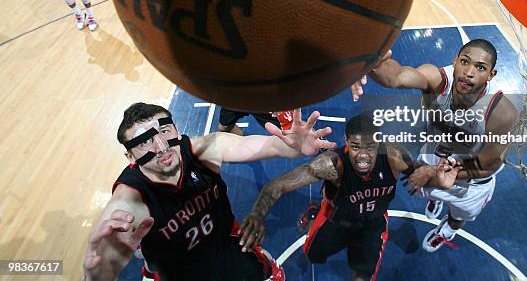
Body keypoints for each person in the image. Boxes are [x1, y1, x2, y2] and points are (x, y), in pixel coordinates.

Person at [81, 103, 336, 281]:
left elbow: (266, 146)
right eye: (144, 141)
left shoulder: (203, 151)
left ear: (176, 130)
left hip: (228, 249)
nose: (160, 147)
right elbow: (104, 265)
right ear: (130, 156)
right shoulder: (130, 199)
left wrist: (295, 147)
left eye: (164, 131)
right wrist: (96, 275)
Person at [240, 116, 460, 280]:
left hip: (371, 225)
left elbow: (420, 172)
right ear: (346, 141)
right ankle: (316, 210)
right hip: (335, 220)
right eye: (355, 147)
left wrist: (438, 178)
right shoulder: (331, 165)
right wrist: (257, 213)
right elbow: (277, 185)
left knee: (362, 277)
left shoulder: (394, 157)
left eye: (370, 148)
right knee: (313, 255)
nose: (363, 156)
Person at [351, 39, 518, 252]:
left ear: (491, 75)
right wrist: (369, 62)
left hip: (471, 182)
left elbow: (487, 165)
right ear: (455, 60)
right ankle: (435, 199)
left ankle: (448, 229)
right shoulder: (438, 79)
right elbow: (397, 76)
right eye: (465, 62)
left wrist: (433, 173)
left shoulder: (502, 113)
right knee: (426, 189)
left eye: (480, 67)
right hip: (434, 157)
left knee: (458, 217)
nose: (469, 72)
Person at [217, 107, 285, 136]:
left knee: (285, 133)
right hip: (237, 96)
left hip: (265, 102)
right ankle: (242, 143)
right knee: (223, 127)